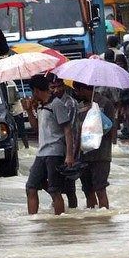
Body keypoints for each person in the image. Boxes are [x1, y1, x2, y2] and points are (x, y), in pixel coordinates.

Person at [23, 74, 75, 215]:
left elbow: (67, 129)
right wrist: (29, 111)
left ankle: (60, 221)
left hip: (55, 152)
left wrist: (69, 155)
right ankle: (32, 220)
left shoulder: (56, 104)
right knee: (31, 187)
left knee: (54, 190)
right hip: (41, 153)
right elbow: (36, 129)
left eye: (32, 91)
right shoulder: (41, 106)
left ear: (36, 90)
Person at [73, 81, 116, 209]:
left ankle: (104, 218)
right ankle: (93, 220)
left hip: (101, 155)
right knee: (88, 191)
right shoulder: (80, 106)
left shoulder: (105, 103)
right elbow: (77, 131)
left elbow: (111, 129)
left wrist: (96, 115)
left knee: (100, 189)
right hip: (84, 155)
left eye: (77, 90)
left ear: (83, 89)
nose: (76, 93)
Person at [50, 76, 80, 209]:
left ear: (64, 86)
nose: (56, 90)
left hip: (68, 149)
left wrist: (70, 154)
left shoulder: (70, 103)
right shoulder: (51, 102)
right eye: (53, 87)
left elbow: (70, 129)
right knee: (55, 186)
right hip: (55, 149)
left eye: (59, 86)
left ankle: (72, 214)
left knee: (70, 189)